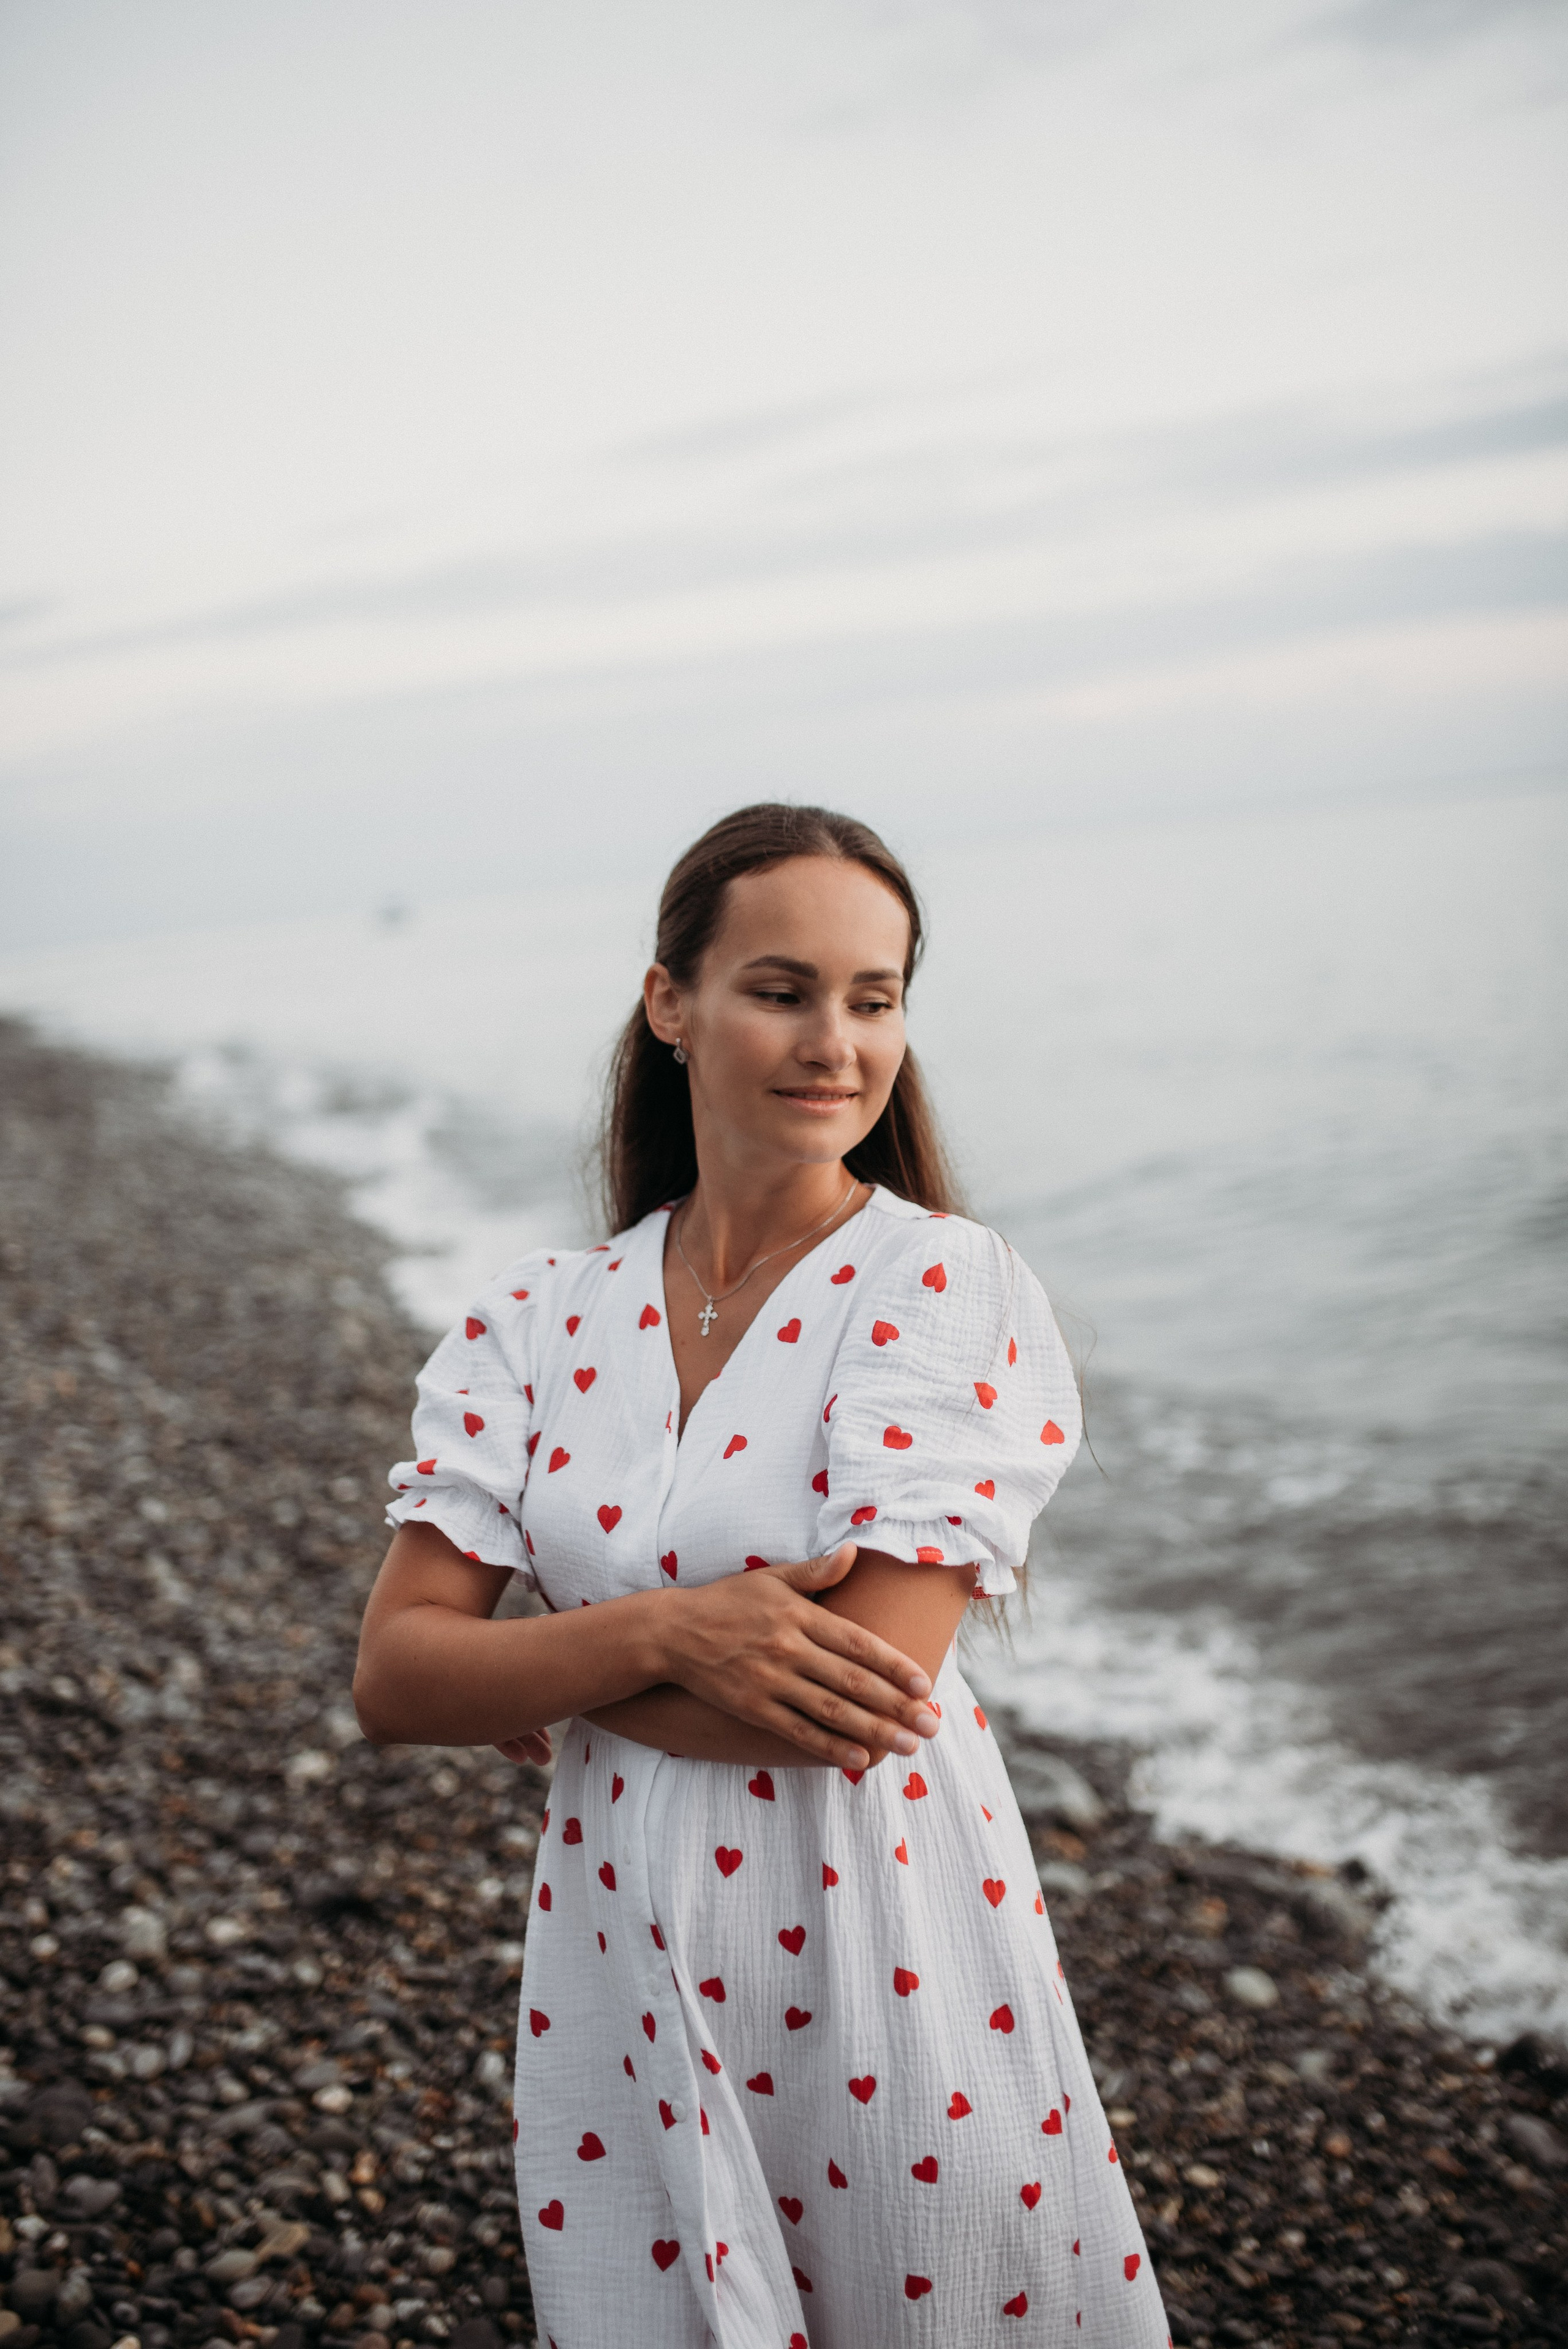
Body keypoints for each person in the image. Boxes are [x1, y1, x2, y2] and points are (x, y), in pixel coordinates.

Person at [353, 804, 1167, 2348]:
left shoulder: (942, 1285)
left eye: (875, 998)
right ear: (671, 1003)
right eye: (781, 990)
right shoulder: (537, 1317)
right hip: (614, 1934)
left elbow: (853, 1698)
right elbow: (397, 1679)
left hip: (879, 1929)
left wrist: (555, 1665)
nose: (836, 1043)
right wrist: (672, 1629)